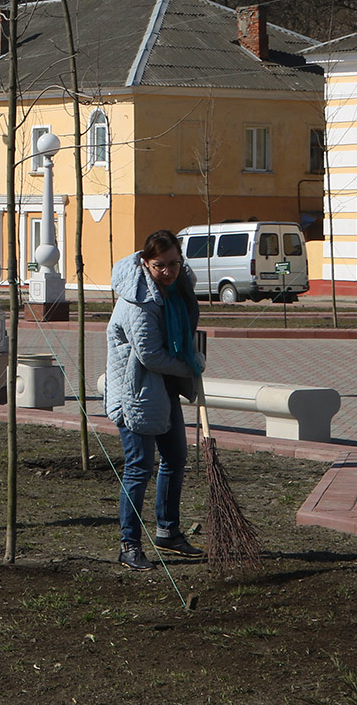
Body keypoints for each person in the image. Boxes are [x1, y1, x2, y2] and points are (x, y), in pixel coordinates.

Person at [104, 228, 206, 571]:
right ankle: (129, 544)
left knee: (176, 457)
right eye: (160, 265)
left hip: (161, 389)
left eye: (174, 263)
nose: (168, 271)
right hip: (134, 393)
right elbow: (150, 355)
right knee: (139, 468)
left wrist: (190, 356)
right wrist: (192, 365)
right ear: (145, 263)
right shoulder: (138, 300)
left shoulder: (173, 293)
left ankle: (168, 532)